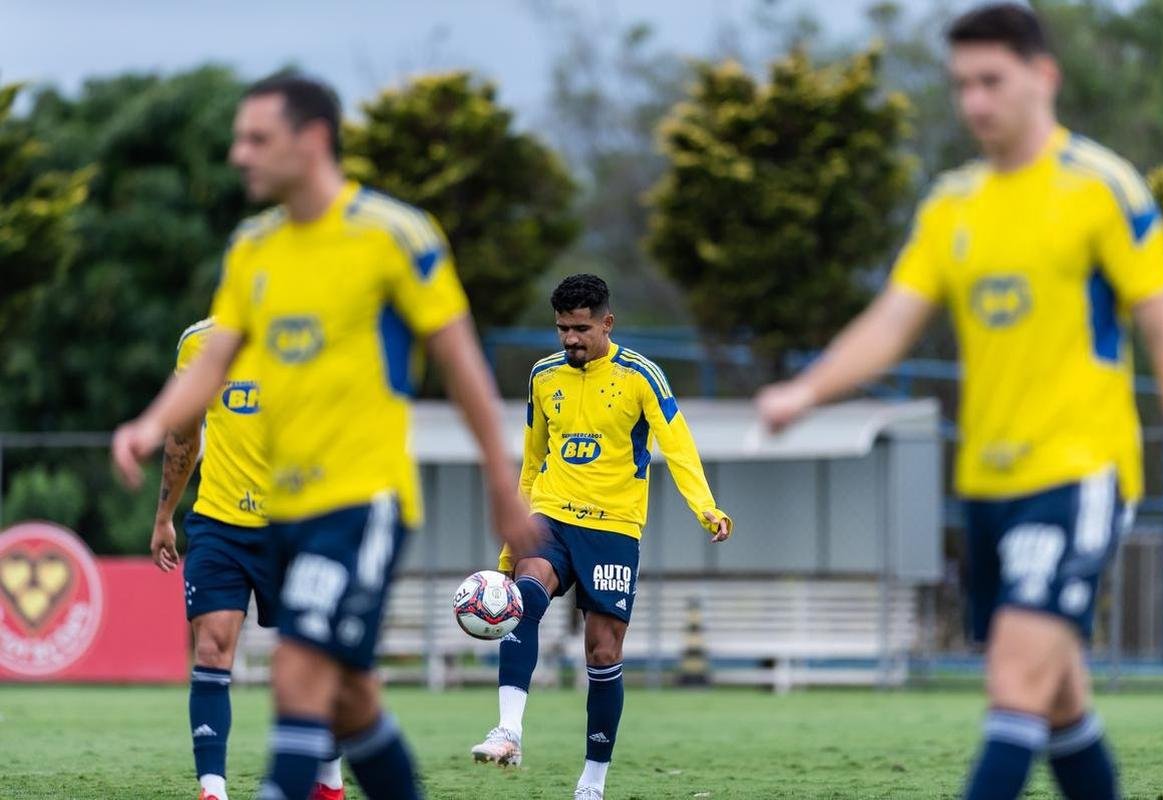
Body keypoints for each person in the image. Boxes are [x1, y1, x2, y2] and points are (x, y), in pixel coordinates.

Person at [755, 5, 1163, 800]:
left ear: (1043, 76)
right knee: (1058, 702)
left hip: (1078, 472)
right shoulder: (951, 204)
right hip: (988, 487)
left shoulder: (1102, 188)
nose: (974, 102)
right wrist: (805, 390)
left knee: (1012, 683)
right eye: (960, 84)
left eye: (990, 81)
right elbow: (891, 321)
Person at [113, 73, 541, 800]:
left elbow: (462, 365)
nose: (238, 155)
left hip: (360, 502)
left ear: (311, 140)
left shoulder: (393, 235)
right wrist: (152, 424)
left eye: (256, 139)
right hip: (276, 510)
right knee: (350, 701)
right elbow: (212, 357)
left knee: (297, 673)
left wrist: (503, 488)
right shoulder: (253, 247)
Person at [470, 274, 733, 800]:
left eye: (581, 329)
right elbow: (532, 461)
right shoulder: (543, 377)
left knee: (603, 652)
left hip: (613, 528)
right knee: (522, 600)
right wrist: (509, 546)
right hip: (551, 515)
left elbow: (677, 446)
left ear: (607, 323)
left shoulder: (641, 377)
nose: (570, 339)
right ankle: (509, 731)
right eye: (563, 329)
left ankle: (592, 782)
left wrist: (706, 508)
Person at [152, 318, 345, 800]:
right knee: (212, 649)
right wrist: (164, 516)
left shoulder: (319, 332)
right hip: (219, 526)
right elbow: (182, 437)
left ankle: (329, 782)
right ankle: (212, 790)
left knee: (311, 660)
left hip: (296, 525)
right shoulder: (199, 342)